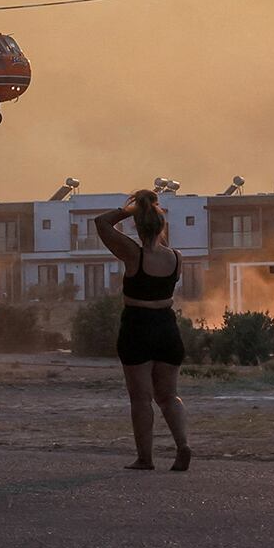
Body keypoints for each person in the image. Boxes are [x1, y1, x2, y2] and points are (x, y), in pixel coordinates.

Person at [95, 191, 190, 471]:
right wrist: (147, 211)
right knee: (168, 395)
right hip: (167, 328)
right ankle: (183, 445)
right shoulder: (176, 258)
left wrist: (131, 210)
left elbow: (101, 222)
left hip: (137, 327)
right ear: (162, 227)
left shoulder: (133, 254)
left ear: (138, 227)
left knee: (140, 398)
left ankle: (145, 458)